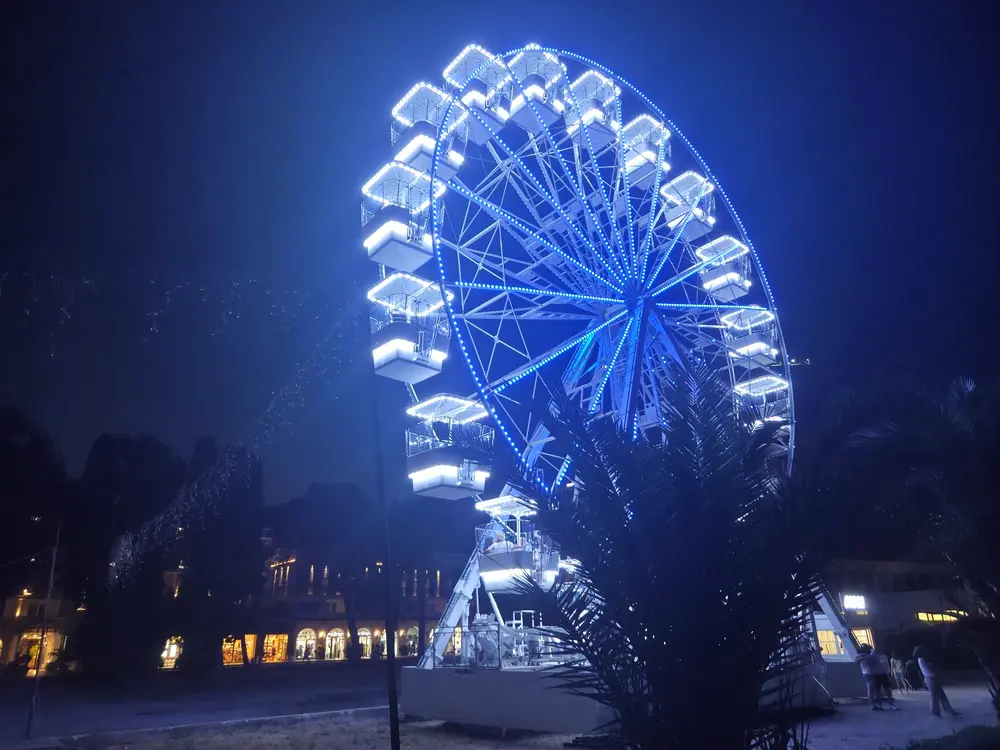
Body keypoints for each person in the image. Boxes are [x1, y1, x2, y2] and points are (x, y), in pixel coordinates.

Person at [915, 645, 961, 718]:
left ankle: (949, 711)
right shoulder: (922, 660)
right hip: (930, 679)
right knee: (934, 697)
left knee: (940, 696)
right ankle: (935, 713)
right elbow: (932, 668)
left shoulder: (921, 659)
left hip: (931, 678)